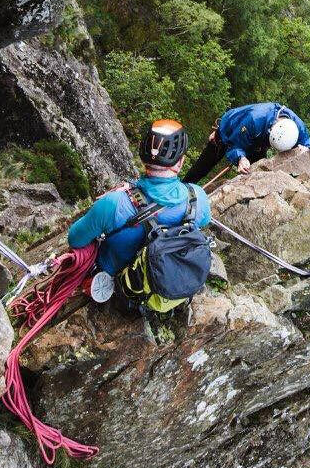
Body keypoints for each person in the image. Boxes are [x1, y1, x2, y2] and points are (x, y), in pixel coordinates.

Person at [68, 119, 212, 321]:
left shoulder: (113, 203)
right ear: (180, 162)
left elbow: (75, 239)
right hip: (174, 280)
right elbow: (202, 222)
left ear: (143, 157)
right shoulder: (197, 198)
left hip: (122, 287)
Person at [183, 102, 310, 183]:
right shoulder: (254, 120)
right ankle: (183, 189)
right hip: (229, 131)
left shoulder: (296, 127)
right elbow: (234, 145)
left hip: (259, 141)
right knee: (202, 167)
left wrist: (305, 149)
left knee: (255, 173)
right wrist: (241, 158)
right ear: (271, 128)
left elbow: (308, 145)